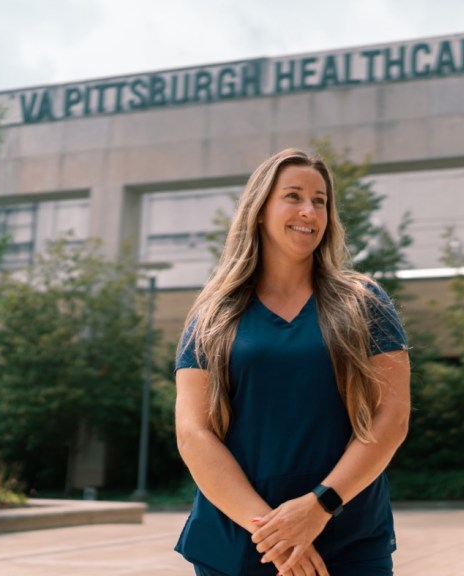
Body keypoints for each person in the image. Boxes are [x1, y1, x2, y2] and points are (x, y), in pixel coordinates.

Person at [173, 148, 411, 576]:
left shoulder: (365, 303)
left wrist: (320, 507)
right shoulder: (212, 314)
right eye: (294, 196)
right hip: (237, 546)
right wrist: (276, 535)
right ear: (260, 209)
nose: (309, 210)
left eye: (320, 201)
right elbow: (194, 434)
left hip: (348, 542)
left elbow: (390, 419)